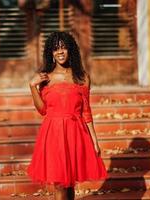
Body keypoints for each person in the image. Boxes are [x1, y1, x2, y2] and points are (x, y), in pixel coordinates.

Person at [28, 31, 108, 200]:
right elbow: (42, 110)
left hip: (75, 133)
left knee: (70, 185)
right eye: (56, 49)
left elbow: (86, 110)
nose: (60, 52)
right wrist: (32, 87)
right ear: (51, 52)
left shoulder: (82, 77)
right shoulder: (45, 77)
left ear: (70, 50)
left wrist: (94, 140)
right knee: (59, 184)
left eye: (64, 48)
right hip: (53, 134)